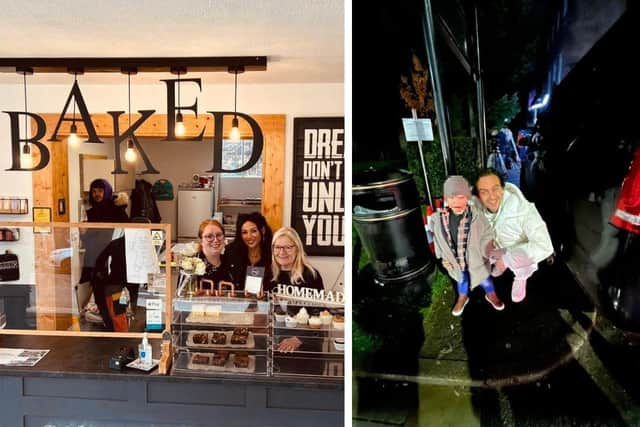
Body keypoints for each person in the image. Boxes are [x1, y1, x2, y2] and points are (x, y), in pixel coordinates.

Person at [475, 168, 554, 303]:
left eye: (495, 189)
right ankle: (499, 264)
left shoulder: (524, 210)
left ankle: (521, 278)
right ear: (478, 196)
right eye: (484, 192)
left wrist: (506, 260)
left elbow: (545, 246)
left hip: (520, 255)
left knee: (524, 266)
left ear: (503, 188)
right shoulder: (478, 209)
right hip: (499, 248)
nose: (492, 196)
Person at [431, 176, 504, 316]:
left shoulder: (476, 216)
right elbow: (438, 239)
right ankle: (463, 297)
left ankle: (491, 294)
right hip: (456, 261)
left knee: (486, 280)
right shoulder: (439, 219)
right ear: (446, 200)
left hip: (476, 259)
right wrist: (442, 258)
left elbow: (487, 233)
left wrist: (489, 249)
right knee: (461, 280)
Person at [78, 179, 129, 326]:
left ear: (106, 191)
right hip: (96, 262)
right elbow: (89, 239)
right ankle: (109, 328)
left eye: (100, 191)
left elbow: (124, 234)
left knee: (116, 299)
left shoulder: (117, 211)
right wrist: (83, 233)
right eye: (94, 191)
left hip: (114, 263)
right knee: (100, 298)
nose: (97, 194)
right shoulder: (91, 213)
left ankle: (120, 331)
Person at [269, 227, 324, 353]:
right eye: (277, 247)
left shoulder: (311, 275)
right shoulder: (269, 274)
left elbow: (318, 314)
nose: (282, 252)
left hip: (306, 344)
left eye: (288, 247)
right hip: (276, 340)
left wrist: (298, 338)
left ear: (297, 249)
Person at [226, 212, 273, 291]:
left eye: (253, 231)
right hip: (239, 300)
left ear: (263, 230)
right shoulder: (231, 251)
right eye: (244, 232)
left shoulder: (273, 252)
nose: (249, 236)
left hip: (266, 300)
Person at [195, 219, 233, 292]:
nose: (215, 240)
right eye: (209, 236)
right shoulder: (191, 265)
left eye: (219, 235)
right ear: (201, 241)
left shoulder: (230, 263)